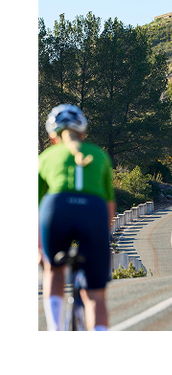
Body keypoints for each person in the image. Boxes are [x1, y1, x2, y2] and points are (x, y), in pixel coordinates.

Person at [37, 104, 116, 334]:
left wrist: (38, 248)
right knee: (95, 295)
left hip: (56, 209)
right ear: (83, 133)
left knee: (53, 269)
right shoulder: (100, 156)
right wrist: (101, 239)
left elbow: (35, 207)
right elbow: (109, 207)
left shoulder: (45, 157)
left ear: (52, 137)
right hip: (93, 213)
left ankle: (55, 329)